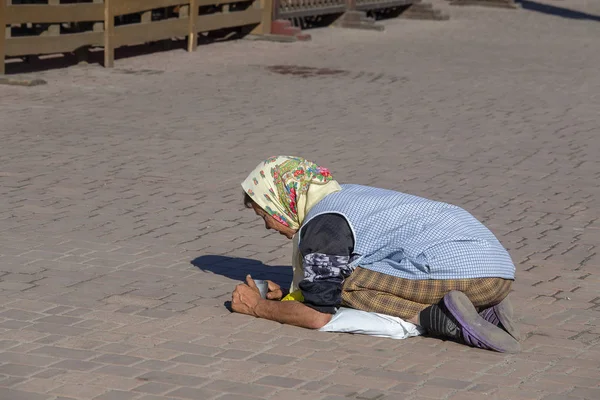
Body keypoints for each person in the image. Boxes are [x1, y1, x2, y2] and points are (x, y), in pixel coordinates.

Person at [232, 156, 520, 353]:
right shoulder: (343, 195)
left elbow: (318, 315)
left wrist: (257, 308)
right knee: (340, 278)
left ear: (281, 202)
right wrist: (288, 295)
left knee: (343, 285)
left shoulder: (323, 227)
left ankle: (439, 319)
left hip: (465, 274)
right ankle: (482, 306)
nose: (268, 226)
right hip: (498, 271)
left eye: (264, 215)